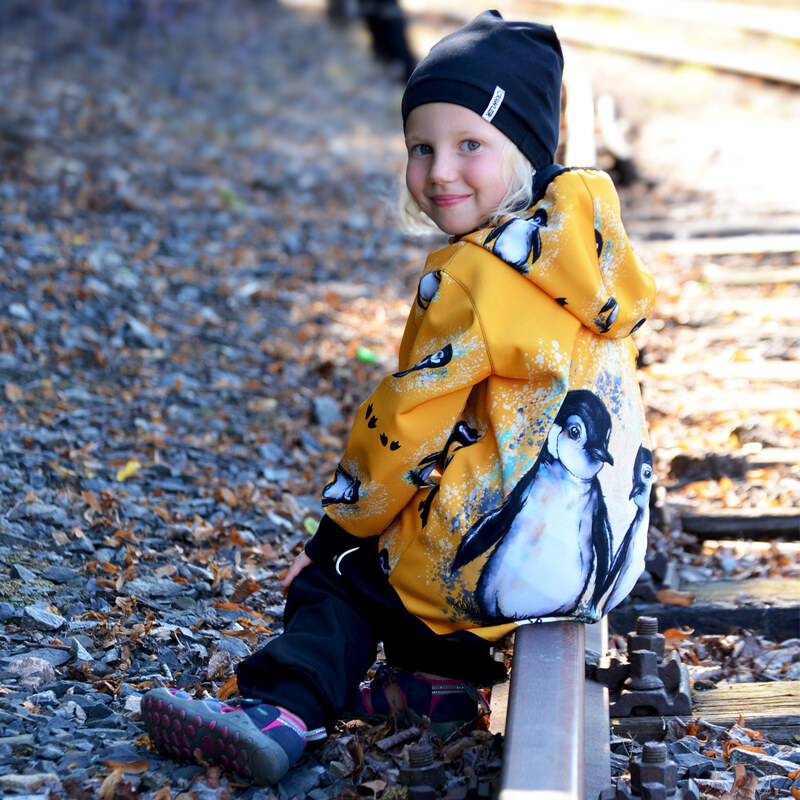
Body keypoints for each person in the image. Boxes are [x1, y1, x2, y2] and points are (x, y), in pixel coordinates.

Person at [141, 9, 657, 786]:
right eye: (422, 148)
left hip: (496, 546)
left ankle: (280, 710)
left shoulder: (473, 274)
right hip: (598, 559)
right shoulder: (588, 257)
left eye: (469, 145)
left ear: (528, 148)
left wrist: (330, 534)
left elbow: (404, 427)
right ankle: (435, 688)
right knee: (428, 535)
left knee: (353, 567)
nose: (440, 171)